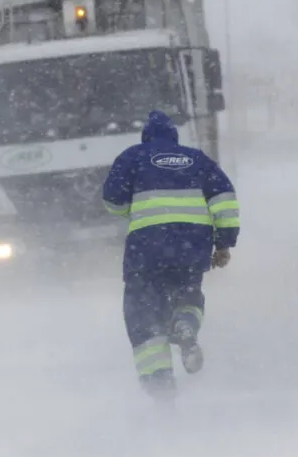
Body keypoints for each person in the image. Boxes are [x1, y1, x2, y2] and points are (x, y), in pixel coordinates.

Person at [101, 110, 239, 400]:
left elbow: (112, 199)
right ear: (174, 136)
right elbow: (224, 197)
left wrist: (132, 211)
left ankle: (159, 384)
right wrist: (224, 244)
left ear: (146, 136)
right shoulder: (197, 159)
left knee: (142, 313)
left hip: (146, 251)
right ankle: (185, 323)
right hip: (192, 249)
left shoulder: (133, 156)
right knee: (188, 293)